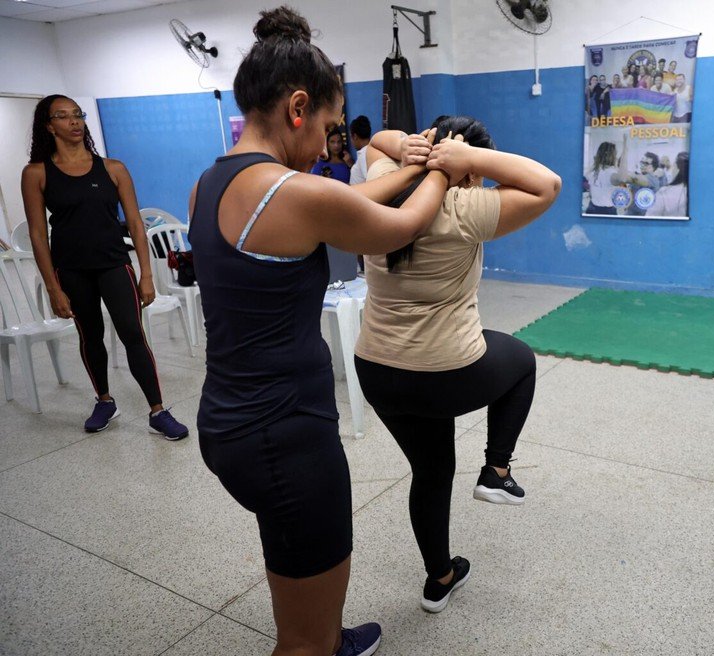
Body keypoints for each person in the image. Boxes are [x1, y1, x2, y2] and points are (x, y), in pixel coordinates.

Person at [187, 7, 455, 655]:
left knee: (295, 563)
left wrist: (412, 166)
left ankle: (329, 636)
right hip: (286, 440)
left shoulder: (212, 183)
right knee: (299, 641)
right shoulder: (296, 193)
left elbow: (349, 200)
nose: (331, 143)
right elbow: (399, 225)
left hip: (232, 422)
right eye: (332, 127)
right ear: (298, 107)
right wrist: (446, 168)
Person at [353, 115, 561, 614]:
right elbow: (546, 184)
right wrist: (467, 163)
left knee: (432, 468)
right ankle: (495, 470)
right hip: (446, 374)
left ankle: (440, 578)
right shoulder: (466, 206)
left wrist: (415, 149)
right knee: (523, 361)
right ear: (469, 170)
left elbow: (374, 141)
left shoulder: (378, 186)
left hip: (377, 373)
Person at [20, 95, 189, 440]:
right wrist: (53, 288)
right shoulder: (36, 173)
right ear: (49, 126)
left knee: (133, 334)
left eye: (78, 115)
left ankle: (157, 411)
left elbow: (136, 225)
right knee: (90, 337)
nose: (74, 122)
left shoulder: (113, 169)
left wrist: (145, 274)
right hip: (71, 270)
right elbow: (38, 234)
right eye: (63, 117)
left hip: (114, 265)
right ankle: (104, 401)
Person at [647, 152, 689, 217]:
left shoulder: (664, 192)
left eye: (663, 161)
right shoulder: (663, 171)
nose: (662, 163)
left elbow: (650, 217)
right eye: (661, 161)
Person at [584, 141, 620, 215]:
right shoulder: (612, 173)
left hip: (592, 208)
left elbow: (587, 176)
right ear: (611, 156)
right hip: (607, 210)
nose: (616, 157)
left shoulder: (593, 170)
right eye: (615, 155)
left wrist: (596, 162)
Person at [348, 115, 372, 185]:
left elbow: (371, 182)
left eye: (351, 137)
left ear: (355, 136)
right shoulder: (367, 152)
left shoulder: (365, 154)